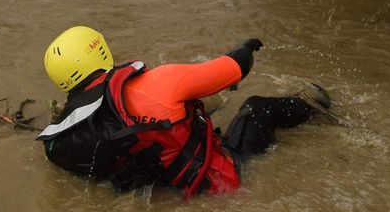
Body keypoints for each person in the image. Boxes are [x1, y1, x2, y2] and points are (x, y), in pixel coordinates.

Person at [37, 26, 330, 197]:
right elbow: (236, 68)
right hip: (222, 182)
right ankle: (316, 104)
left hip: (174, 187)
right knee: (256, 107)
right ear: (99, 51)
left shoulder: (69, 128)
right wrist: (246, 46)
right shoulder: (158, 81)